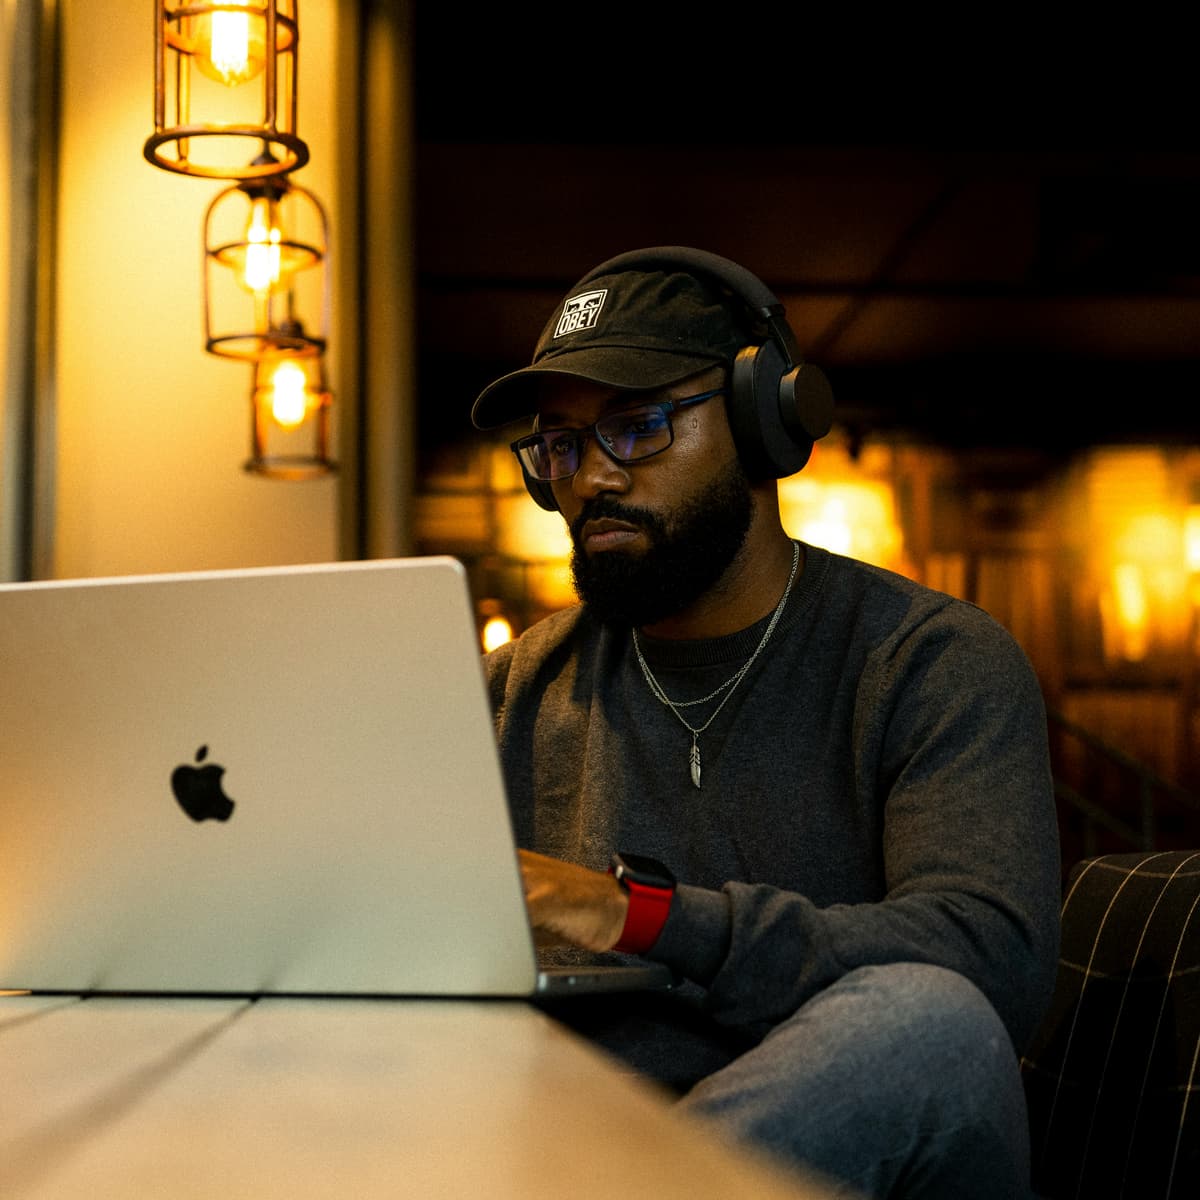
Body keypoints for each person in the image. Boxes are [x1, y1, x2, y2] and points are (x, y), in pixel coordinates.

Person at [468, 245, 1061, 1199]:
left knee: (924, 1022)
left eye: (641, 425)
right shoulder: (513, 692)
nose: (591, 480)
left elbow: (988, 971)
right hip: (555, 1150)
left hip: (839, 1148)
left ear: (763, 422)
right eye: (563, 445)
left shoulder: (929, 661)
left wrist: (637, 916)